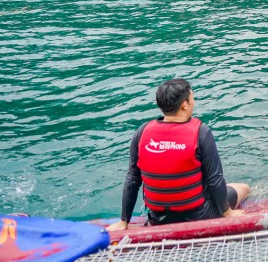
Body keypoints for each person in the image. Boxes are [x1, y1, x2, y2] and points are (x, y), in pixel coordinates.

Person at [107, 79, 250, 231]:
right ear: (184, 104)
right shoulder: (201, 133)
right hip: (200, 217)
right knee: (244, 188)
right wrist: (228, 214)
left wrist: (124, 222)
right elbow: (215, 179)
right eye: (192, 97)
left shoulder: (142, 132)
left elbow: (132, 179)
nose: (194, 102)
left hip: (158, 219)